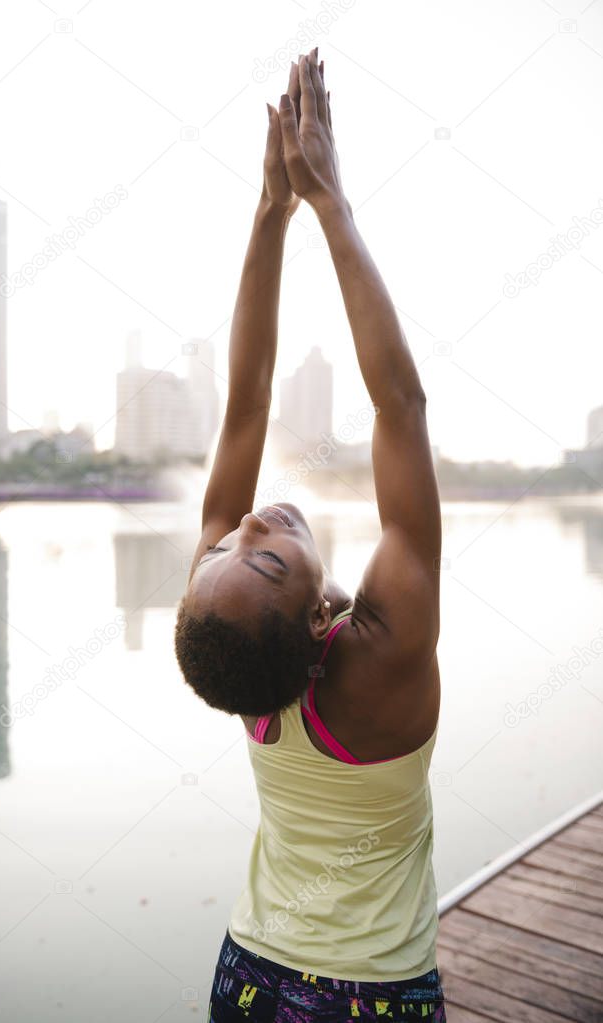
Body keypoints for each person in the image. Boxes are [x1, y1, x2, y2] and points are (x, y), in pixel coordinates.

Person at [174, 46, 445, 1022]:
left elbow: (242, 403)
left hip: (248, 976)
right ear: (316, 614)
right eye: (272, 554)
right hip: (369, 997)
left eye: (227, 540)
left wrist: (265, 211)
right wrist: (324, 198)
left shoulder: (236, 645)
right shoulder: (381, 658)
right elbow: (399, 408)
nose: (254, 518)